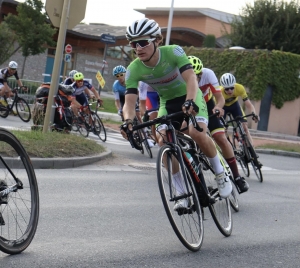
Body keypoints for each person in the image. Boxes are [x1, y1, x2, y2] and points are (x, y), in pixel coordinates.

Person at [120, 18, 232, 210]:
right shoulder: (133, 69)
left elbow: (191, 80)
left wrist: (190, 101)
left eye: (143, 42)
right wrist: (128, 121)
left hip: (191, 95)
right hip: (168, 102)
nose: (138, 48)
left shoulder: (174, 52)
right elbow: (129, 103)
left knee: (196, 132)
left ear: (157, 40)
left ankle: (221, 173)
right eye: (133, 43)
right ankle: (181, 193)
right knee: (163, 140)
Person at [188, 56, 249, 193]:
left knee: (221, 137)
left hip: (208, 104)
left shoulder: (208, 74)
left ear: (201, 74)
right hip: (193, 107)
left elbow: (220, 98)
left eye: (197, 76)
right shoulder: (181, 77)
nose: (194, 79)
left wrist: (218, 108)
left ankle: (237, 177)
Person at [220, 73, 259, 146]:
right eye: (227, 89)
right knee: (222, 129)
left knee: (245, 127)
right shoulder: (219, 92)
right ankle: (227, 146)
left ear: (234, 85)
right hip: (223, 107)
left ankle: (252, 150)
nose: (230, 91)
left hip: (235, 105)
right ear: (223, 88)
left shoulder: (240, 88)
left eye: (232, 88)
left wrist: (254, 114)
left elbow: (249, 105)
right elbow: (217, 108)